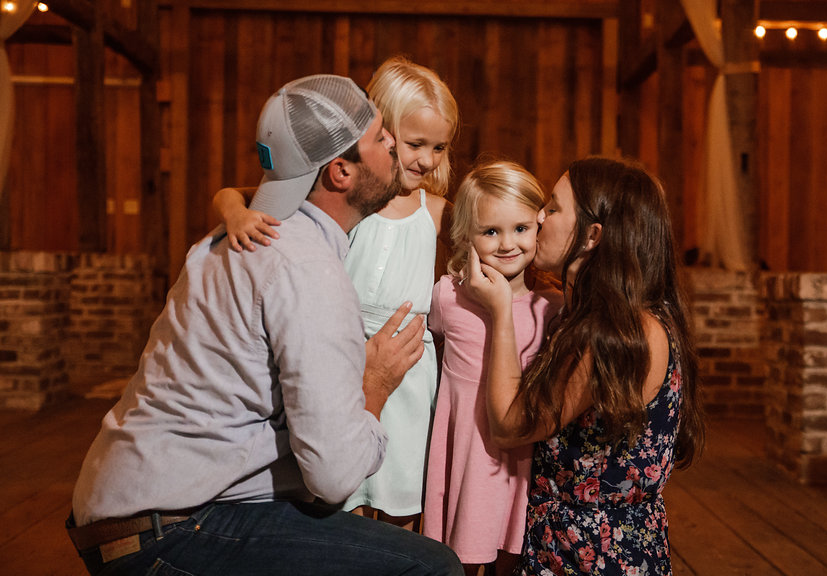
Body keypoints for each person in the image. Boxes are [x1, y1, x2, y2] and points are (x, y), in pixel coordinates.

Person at [67, 74, 462, 576]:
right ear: (341, 172)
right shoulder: (307, 269)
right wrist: (376, 384)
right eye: (383, 139)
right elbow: (336, 476)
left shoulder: (240, 234)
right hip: (170, 527)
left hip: (127, 504)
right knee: (430, 567)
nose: (398, 152)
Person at [213, 57, 457, 532]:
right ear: (382, 131)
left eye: (439, 147)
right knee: (339, 502)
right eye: (414, 144)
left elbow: (491, 241)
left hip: (407, 371)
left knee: (400, 503)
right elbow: (233, 192)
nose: (427, 160)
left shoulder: (437, 213)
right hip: (340, 359)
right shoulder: (354, 196)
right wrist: (233, 214)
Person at [464, 156, 706, 575]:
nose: (539, 217)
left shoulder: (615, 334)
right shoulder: (609, 316)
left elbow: (509, 424)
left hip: (593, 554)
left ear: (592, 236)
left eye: (553, 208)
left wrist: (501, 311)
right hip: (574, 543)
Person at [422, 161, 562, 575]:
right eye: (490, 232)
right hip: (466, 458)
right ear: (466, 237)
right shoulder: (448, 297)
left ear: (539, 226)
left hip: (521, 465)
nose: (507, 244)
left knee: (512, 560)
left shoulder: (551, 308)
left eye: (520, 228)